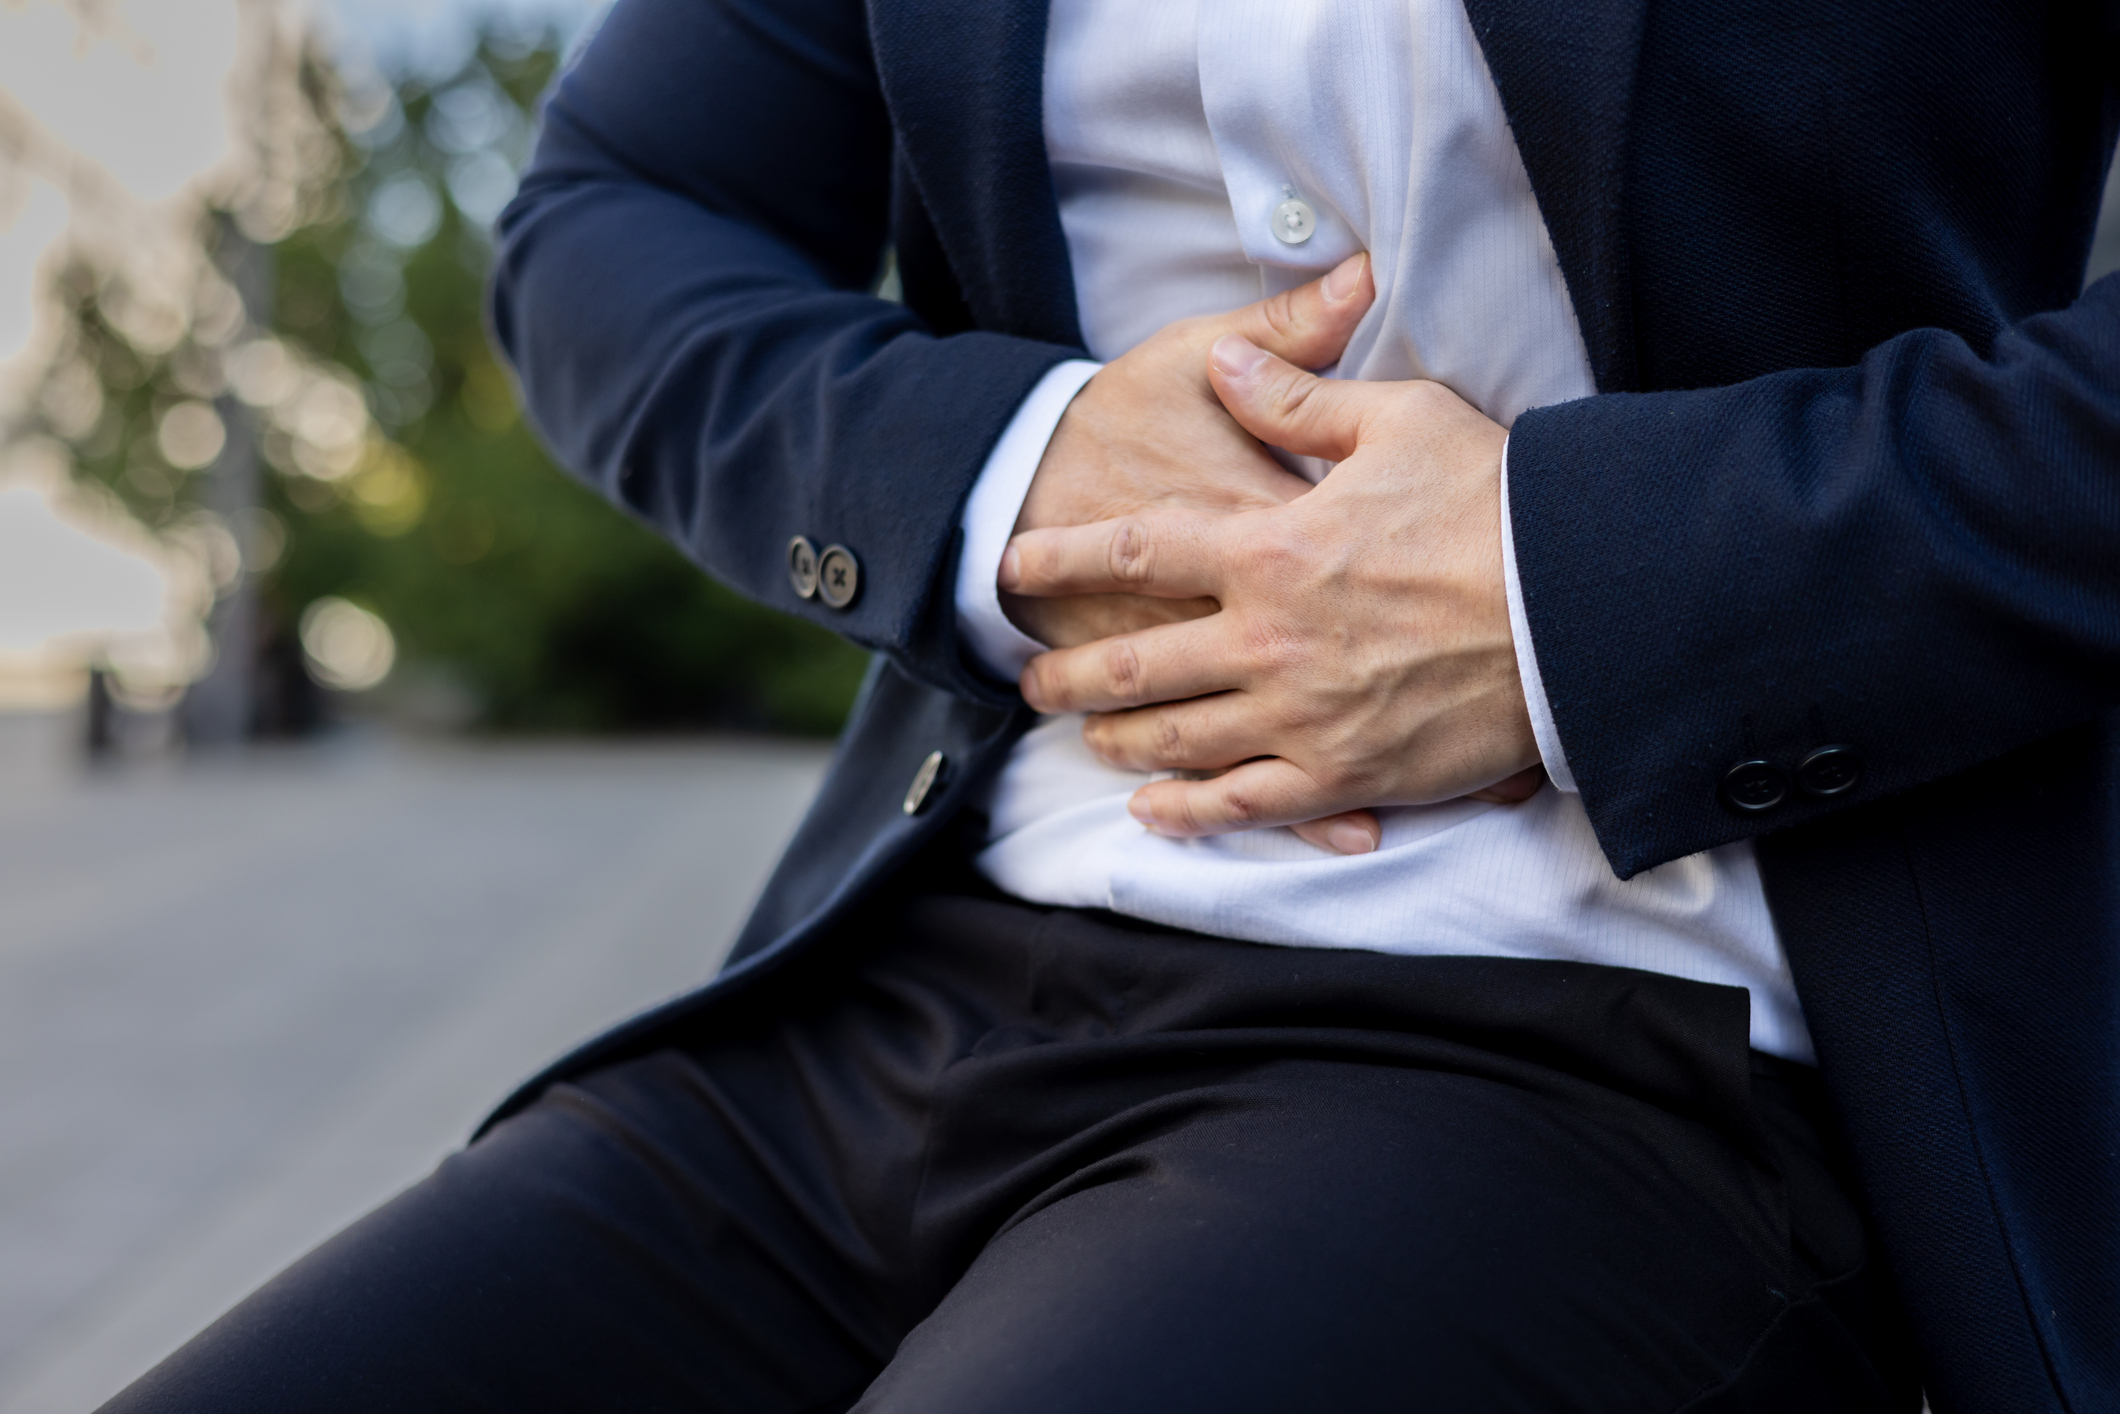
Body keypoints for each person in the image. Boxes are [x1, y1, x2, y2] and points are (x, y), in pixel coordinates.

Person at [105, 0, 2119, 1409]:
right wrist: (1021, 470)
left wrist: (1559, 592)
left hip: (1621, 1009)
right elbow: (610, 222)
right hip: (927, 968)